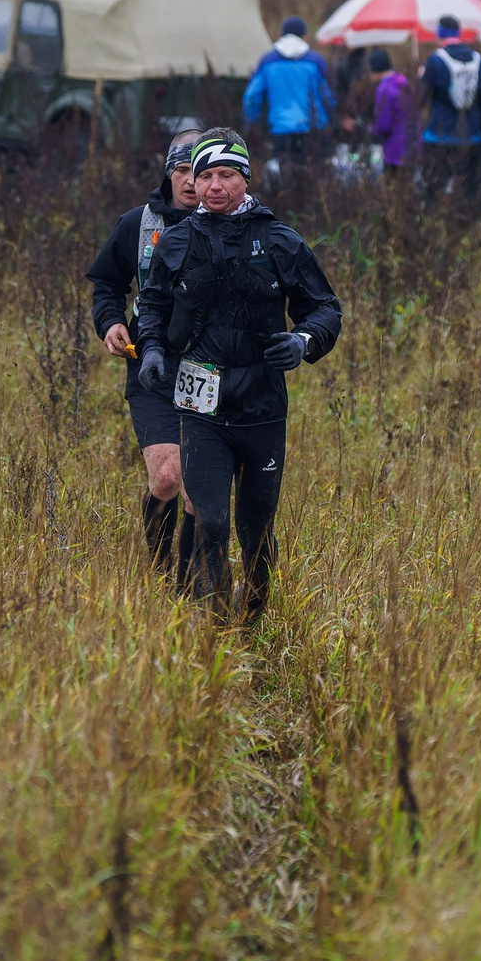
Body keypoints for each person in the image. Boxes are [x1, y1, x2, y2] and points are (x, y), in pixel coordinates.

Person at [135, 129, 342, 622]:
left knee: (256, 533)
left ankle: (253, 619)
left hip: (261, 406)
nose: (214, 186)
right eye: (205, 175)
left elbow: (325, 309)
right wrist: (152, 351)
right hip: (201, 406)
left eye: (226, 175)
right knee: (210, 521)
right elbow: (153, 305)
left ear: (245, 179)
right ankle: (217, 623)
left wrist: (303, 341)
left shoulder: (280, 241)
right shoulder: (176, 242)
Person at [87, 126, 202, 578]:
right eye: (182, 170)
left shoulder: (229, 224)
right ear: (168, 173)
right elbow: (107, 283)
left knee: (196, 489)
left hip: (209, 368)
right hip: (150, 365)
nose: (192, 181)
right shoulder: (138, 223)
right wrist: (110, 322)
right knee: (168, 477)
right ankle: (159, 571)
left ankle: (188, 581)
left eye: (201, 171)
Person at [420, 13, 481, 197]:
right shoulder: (479, 61)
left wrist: (421, 77)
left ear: (439, 34)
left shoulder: (435, 61)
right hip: (472, 135)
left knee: (436, 189)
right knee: (467, 190)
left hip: (438, 135)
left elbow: (419, 99)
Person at [241, 16, 335, 173]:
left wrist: (252, 124)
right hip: (314, 128)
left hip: (282, 129)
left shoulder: (267, 61)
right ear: (304, 36)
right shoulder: (316, 61)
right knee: (315, 175)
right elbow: (328, 96)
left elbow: (251, 97)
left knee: (288, 176)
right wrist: (332, 121)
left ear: (282, 35)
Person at [369, 47, 415, 177]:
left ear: (375, 70)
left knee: (393, 185)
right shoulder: (404, 82)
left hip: (394, 151)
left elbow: (384, 125)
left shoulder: (384, 89)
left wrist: (368, 129)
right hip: (412, 148)